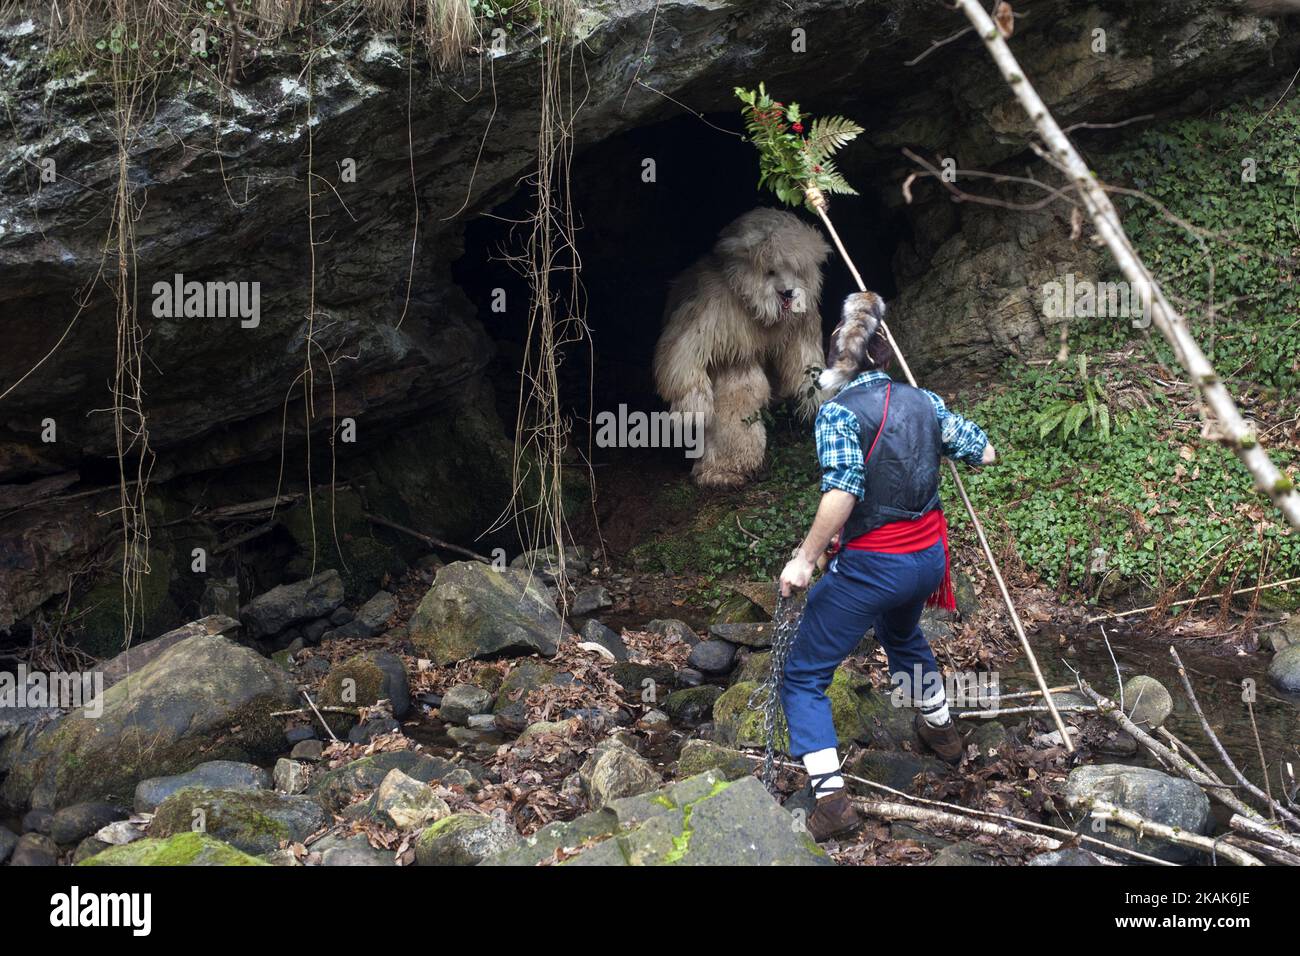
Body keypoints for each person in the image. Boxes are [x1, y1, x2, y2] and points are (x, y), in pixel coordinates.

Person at [778, 293, 996, 842]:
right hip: (928, 560)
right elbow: (986, 452)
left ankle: (830, 802)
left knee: (803, 676)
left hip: (877, 565)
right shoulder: (924, 402)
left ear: (835, 361)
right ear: (885, 354)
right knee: (901, 635)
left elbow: (844, 490)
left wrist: (806, 560)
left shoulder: (837, 412)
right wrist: (930, 427)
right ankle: (943, 733)